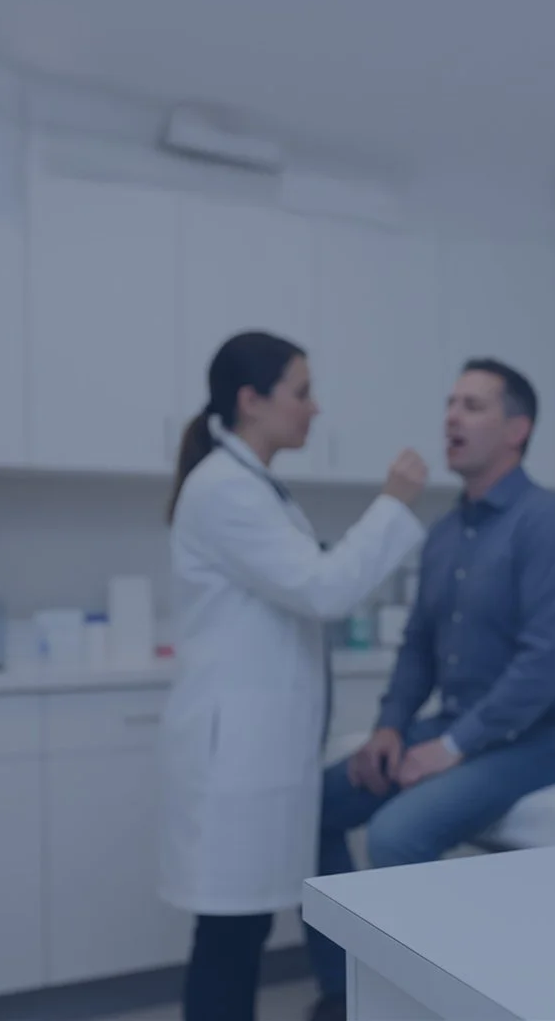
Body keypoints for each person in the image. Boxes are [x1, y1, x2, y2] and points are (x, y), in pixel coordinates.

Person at [304, 359, 555, 1021]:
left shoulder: (550, 525)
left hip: (546, 735)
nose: (450, 418)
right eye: (449, 403)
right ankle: (343, 991)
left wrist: (450, 747)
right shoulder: (443, 535)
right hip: (462, 722)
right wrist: (390, 726)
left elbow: (544, 665)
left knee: (395, 833)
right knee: (313, 804)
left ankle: (419, 1003)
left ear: (517, 428)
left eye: (472, 405)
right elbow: (417, 650)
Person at [159, 332, 429, 1021]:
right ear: (252, 400)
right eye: (301, 391)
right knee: (229, 933)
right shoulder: (224, 490)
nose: (314, 408)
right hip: (235, 753)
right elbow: (323, 589)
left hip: (257, 746)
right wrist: (394, 502)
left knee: (239, 929)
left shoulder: (254, 487)